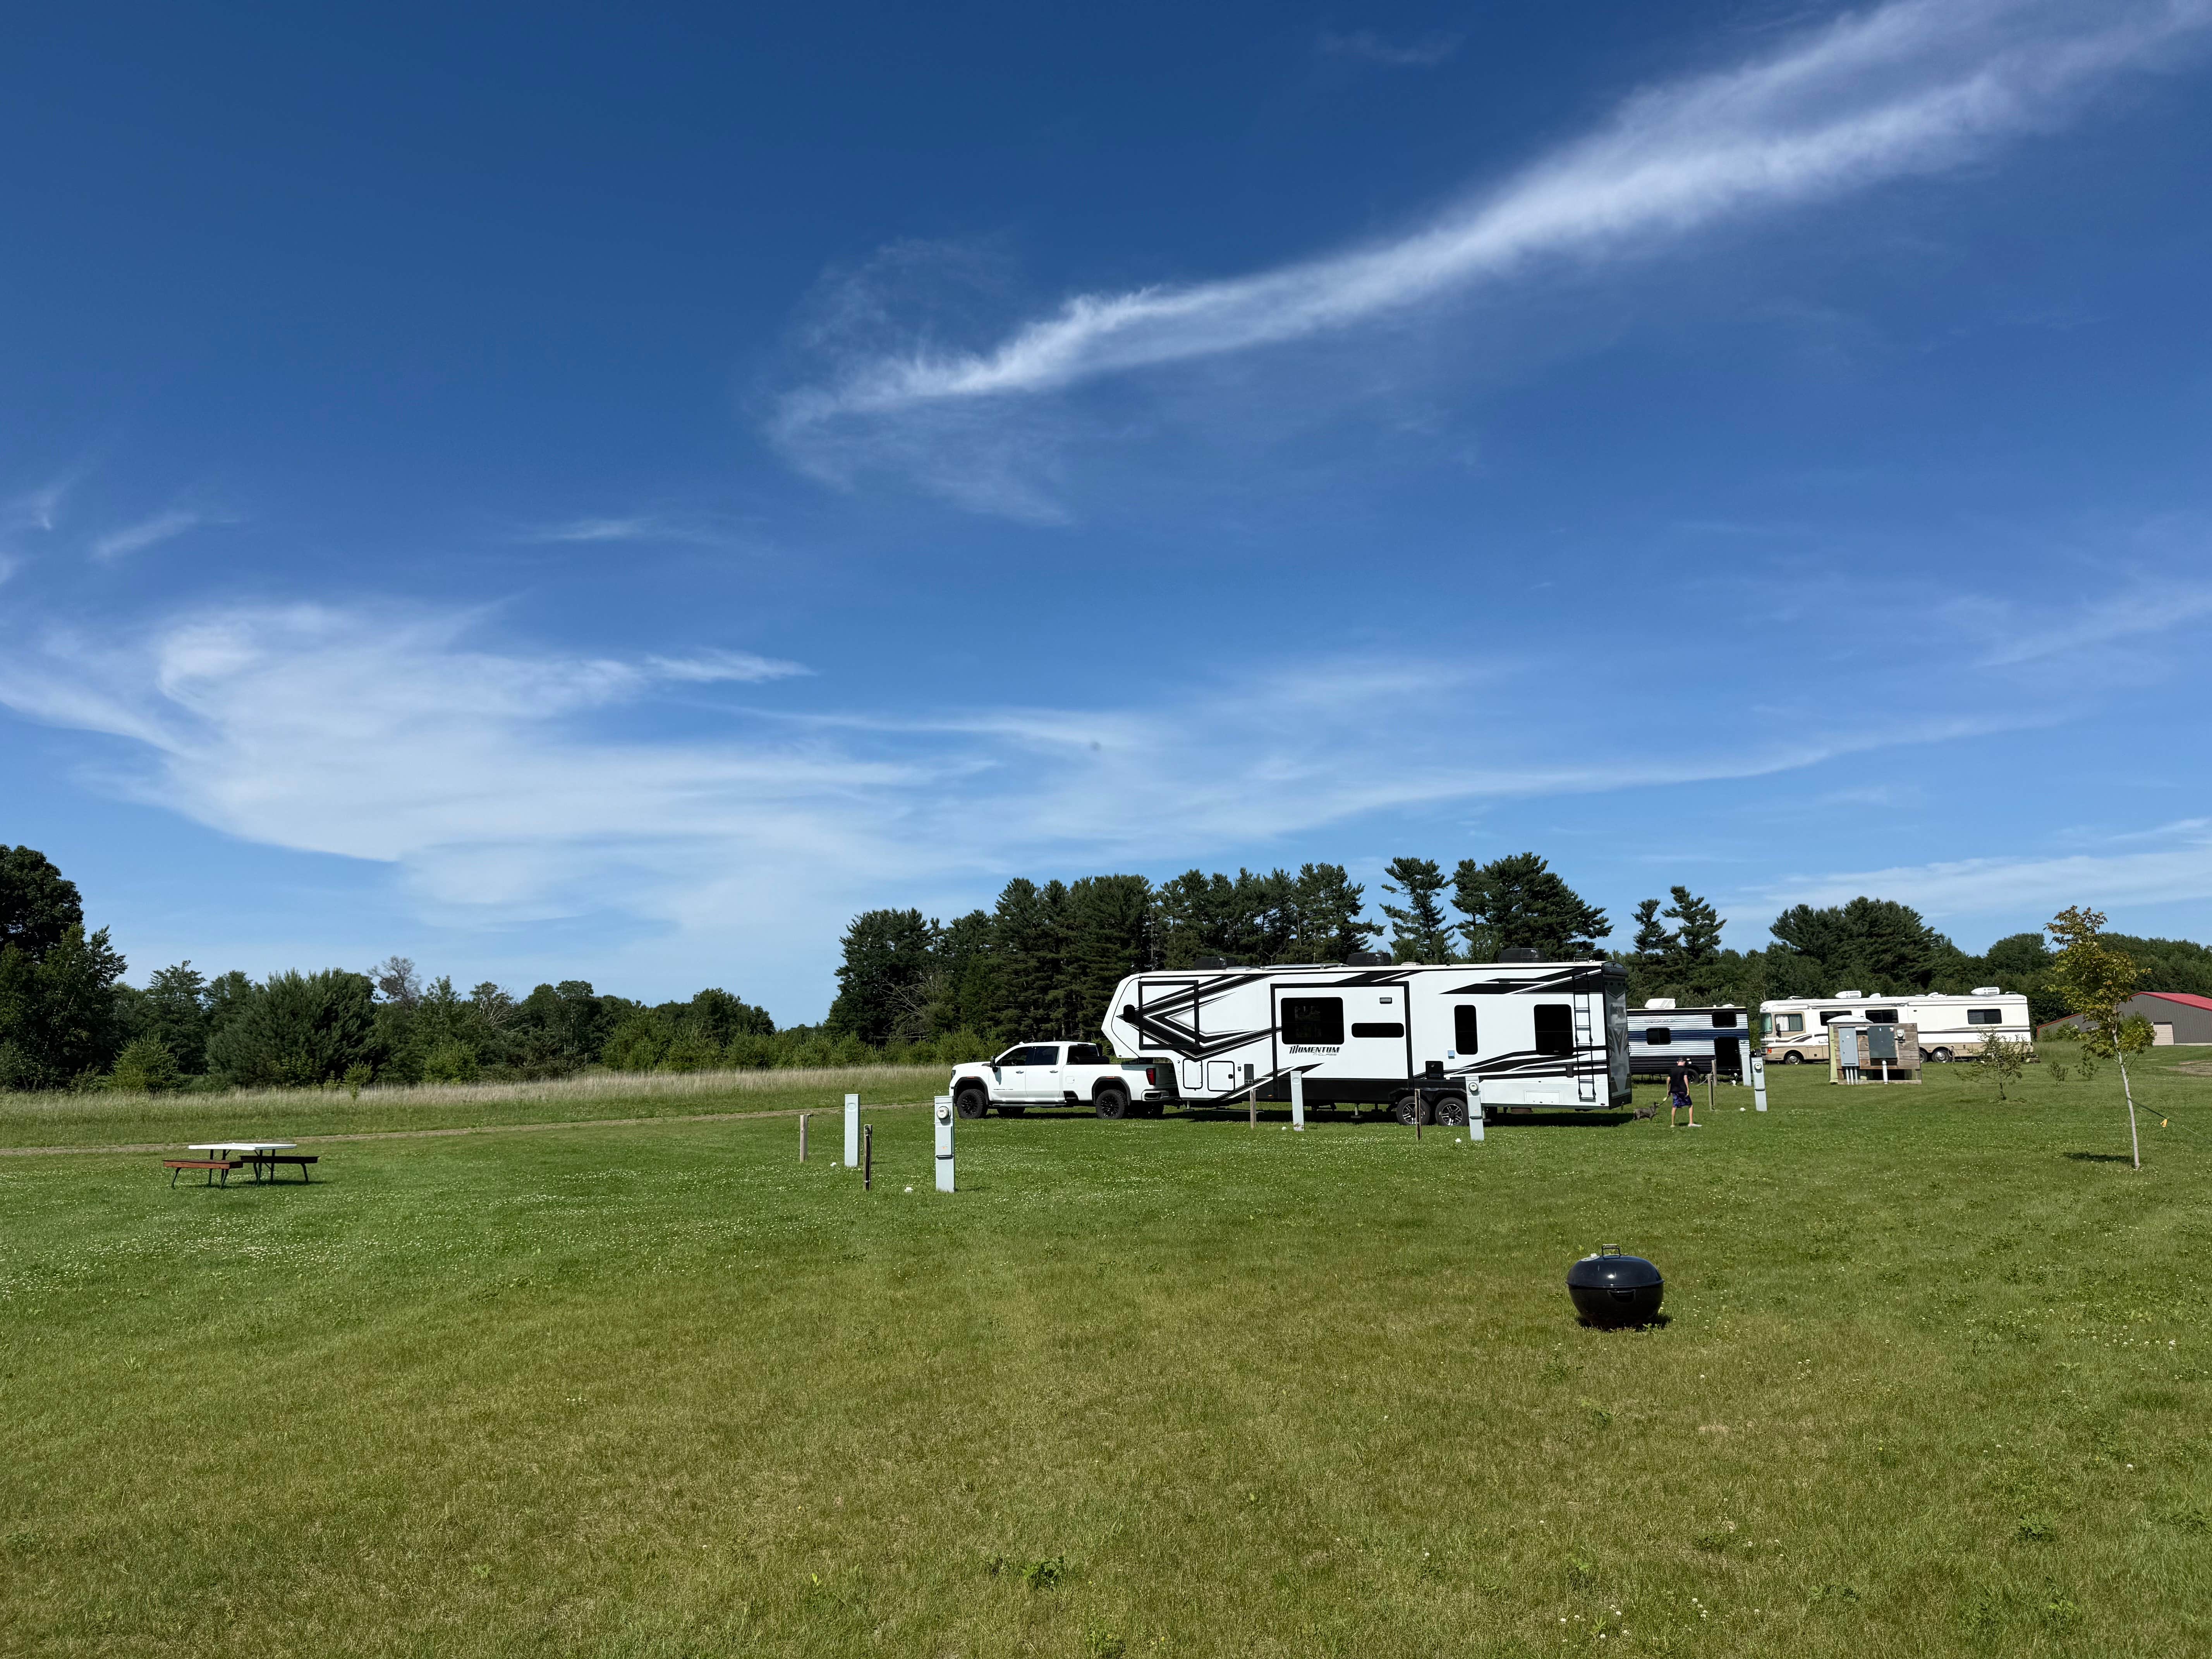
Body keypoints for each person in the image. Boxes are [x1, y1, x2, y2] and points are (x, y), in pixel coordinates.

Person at [1669, 1064, 1699, 1128]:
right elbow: (1685, 1078)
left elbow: (1668, 1079)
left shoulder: (1672, 1070)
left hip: (1674, 1090)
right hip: (1683, 1090)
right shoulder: (1685, 1069)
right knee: (1690, 1105)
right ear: (1684, 1063)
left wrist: (1668, 1090)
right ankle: (1691, 1123)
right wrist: (1688, 1089)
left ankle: (1673, 1124)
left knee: (1675, 1106)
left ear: (1678, 1062)